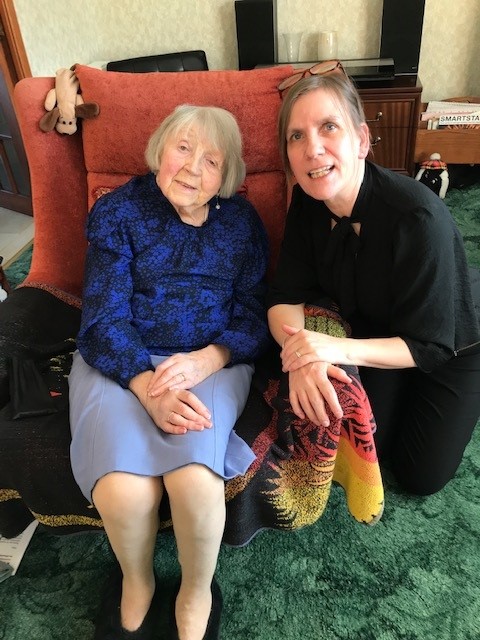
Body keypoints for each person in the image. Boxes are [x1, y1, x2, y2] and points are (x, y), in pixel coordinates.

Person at [68, 104, 270, 640]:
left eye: (211, 159)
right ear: (160, 149)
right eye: (183, 148)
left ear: (226, 176)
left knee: (195, 487)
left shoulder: (241, 223)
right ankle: (138, 581)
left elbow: (253, 312)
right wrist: (144, 384)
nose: (192, 167)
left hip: (211, 360)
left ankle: (196, 590)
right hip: (121, 359)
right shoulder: (120, 212)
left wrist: (210, 358)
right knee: (123, 493)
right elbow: (103, 315)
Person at [268, 61, 480, 499]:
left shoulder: (418, 218)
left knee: (420, 477)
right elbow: (284, 297)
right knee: (367, 446)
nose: (313, 149)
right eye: (297, 136)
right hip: (381, 328)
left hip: (450, 337)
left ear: (362, 140)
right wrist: (302, 354)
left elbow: (430, 344)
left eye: (329, 127)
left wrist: (332, 348)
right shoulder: (308, 203)